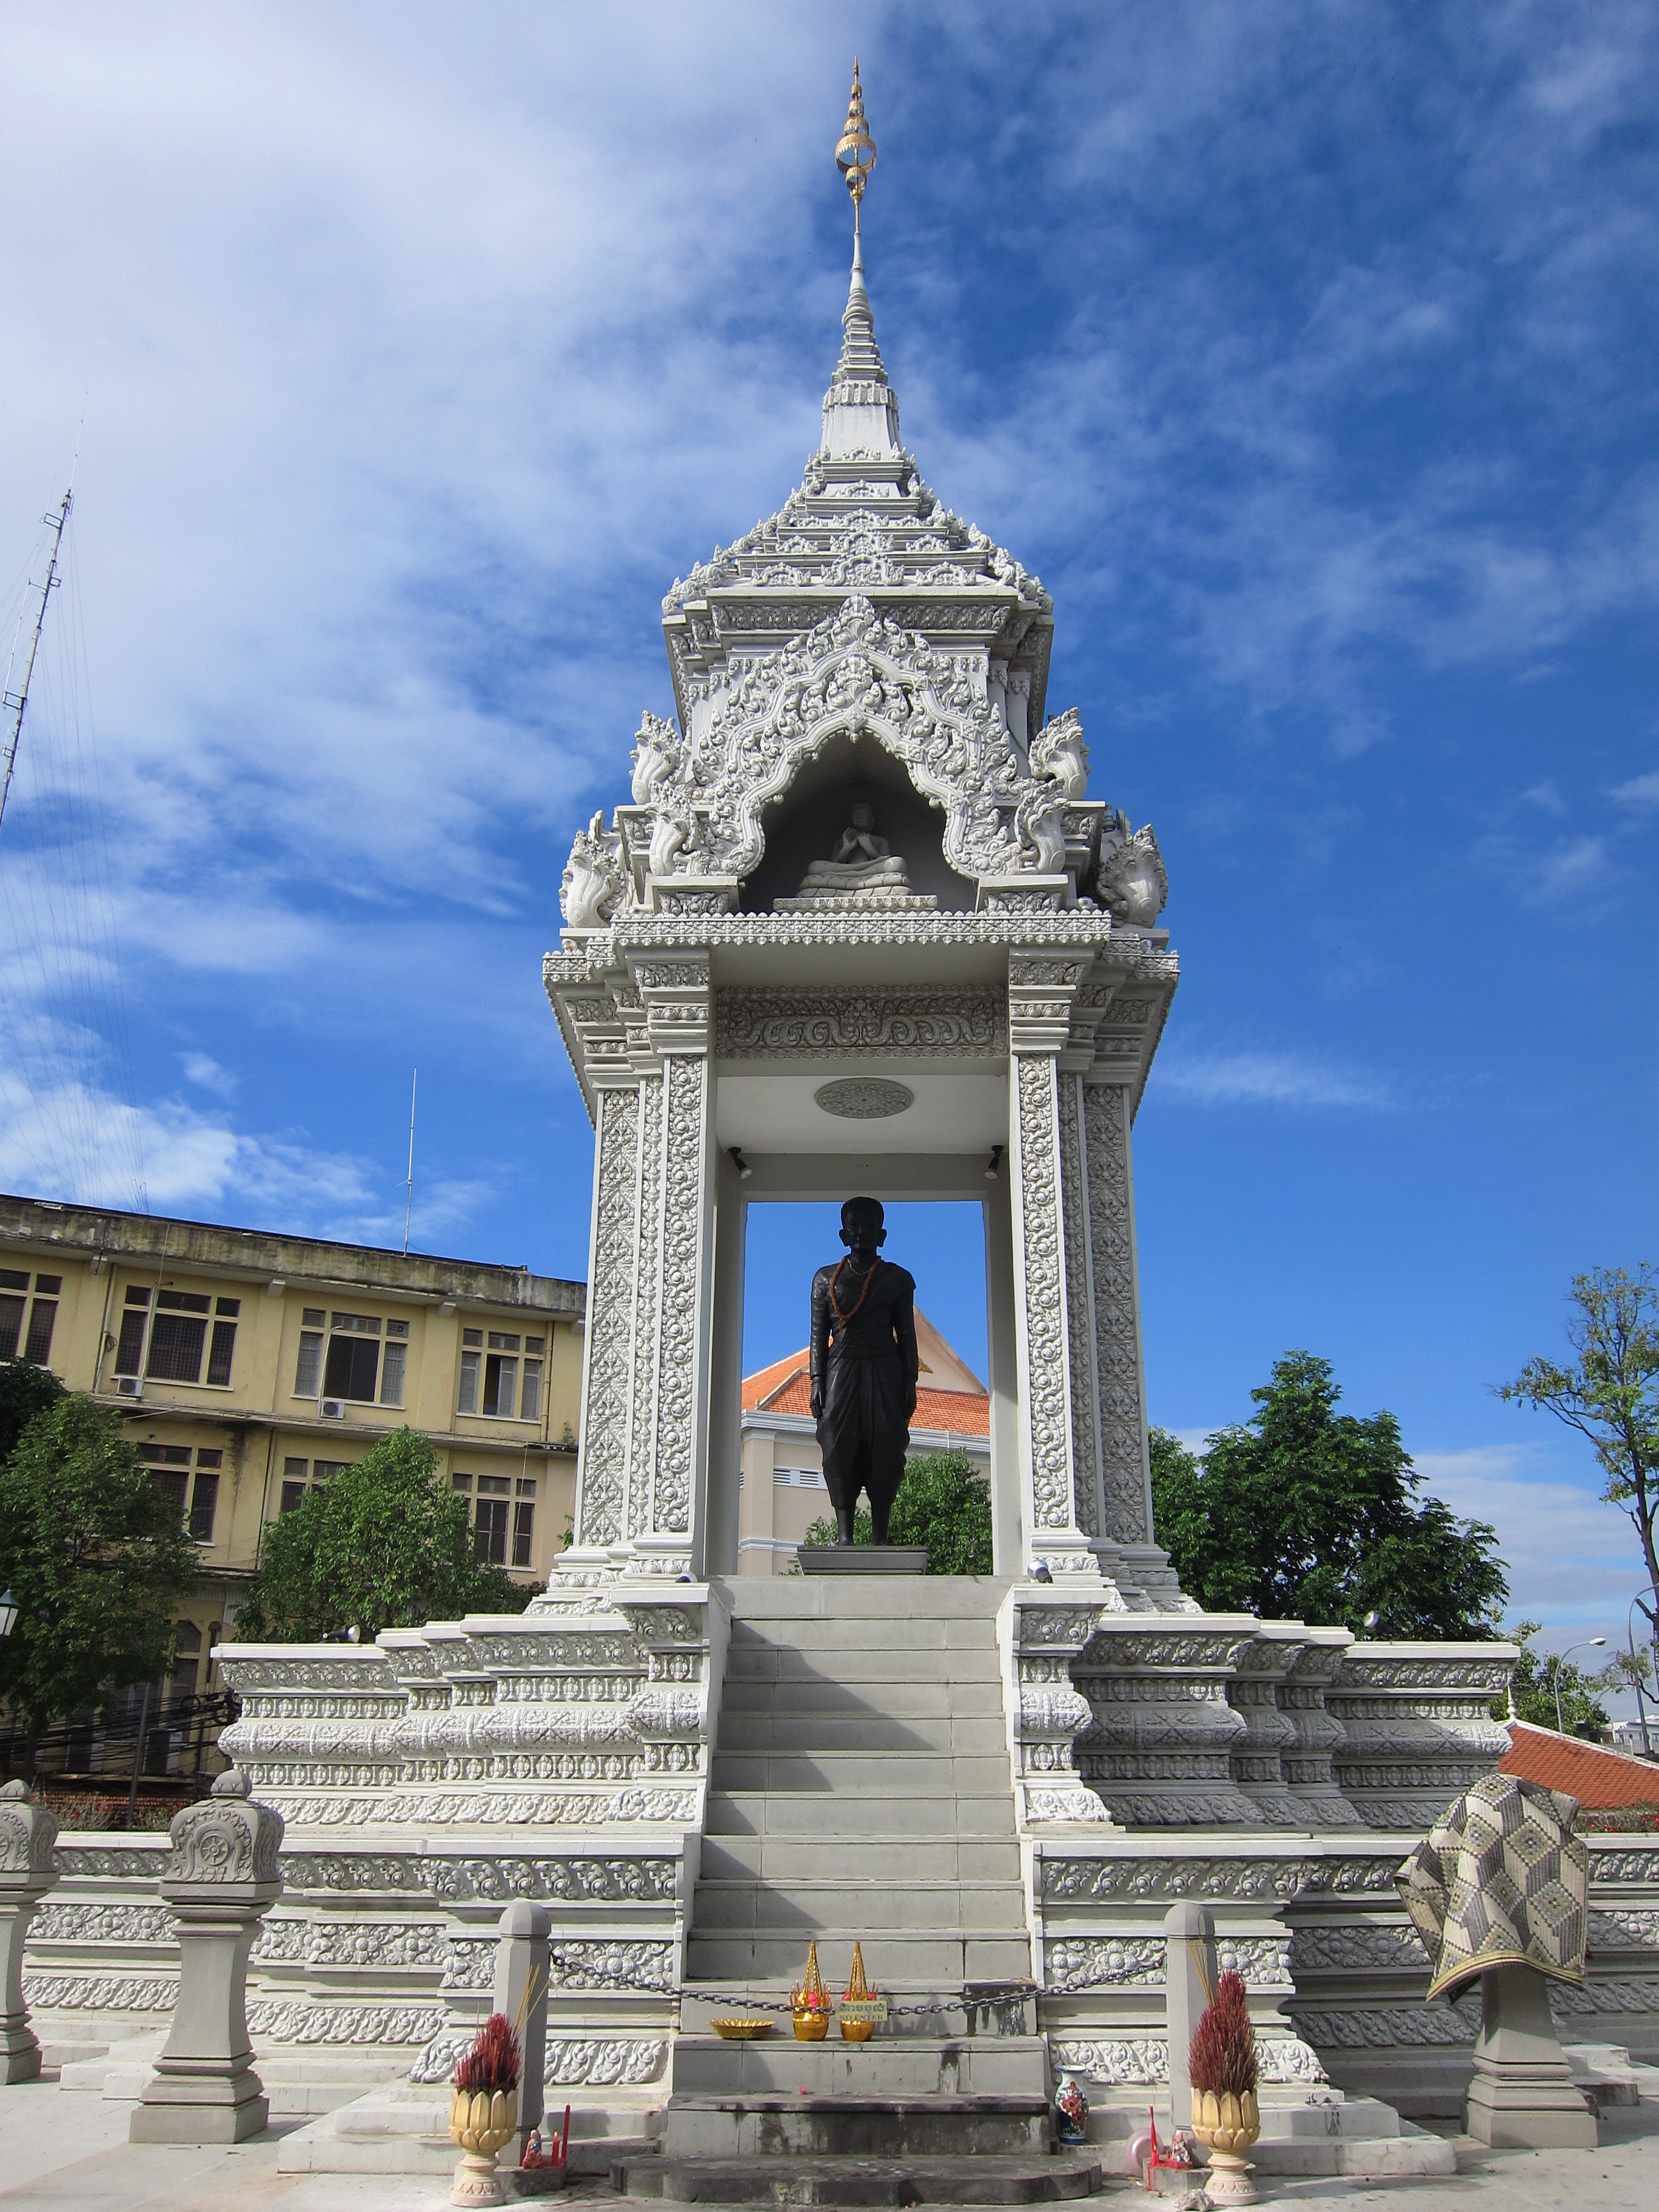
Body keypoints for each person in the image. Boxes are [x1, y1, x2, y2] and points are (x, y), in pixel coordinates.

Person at [808, 1197, 918, 1544]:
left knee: (885, 1446)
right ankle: (845, 1536)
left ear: (882, 1234)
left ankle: (880, 1535)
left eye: (869, 1226)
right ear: (843, 1234)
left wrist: (911, 1381)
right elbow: (817, 1336)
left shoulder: (897, 1279)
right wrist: (817, 1380)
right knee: (838, 1445)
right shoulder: (825, 1279)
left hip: (885, 1369)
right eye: (854, 1226)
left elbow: (907, 1334)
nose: (861, 1233)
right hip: (841, 1369)